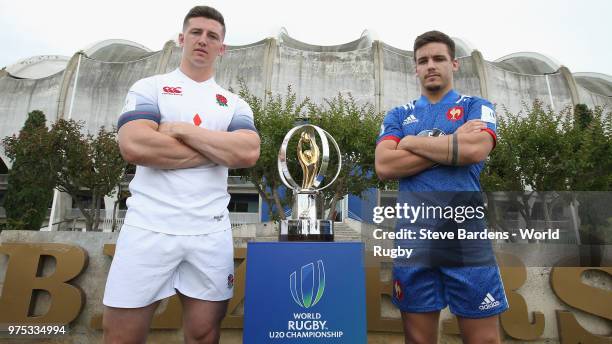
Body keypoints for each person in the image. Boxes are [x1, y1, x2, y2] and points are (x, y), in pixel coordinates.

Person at [102, 6, 260, 344]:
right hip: (148, 228)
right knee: (121, 337)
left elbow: (247, 152)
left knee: (204, 334)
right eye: (196, 32)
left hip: (209, 232)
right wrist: (217, 151)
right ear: (181, 38)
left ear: (222, 48)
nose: (203, 40)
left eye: (212, 36)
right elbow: (134, 145)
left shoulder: (234, 104)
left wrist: (180, 131)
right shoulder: (151, 88)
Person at [375, 30, 508, 344]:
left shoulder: (476, 106)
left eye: (438, 58)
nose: (430, 65)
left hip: (465, 238)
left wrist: (411, 144)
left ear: (454, 64)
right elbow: (384, 166)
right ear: (415, 69)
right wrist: (448, 144)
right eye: (423, 60)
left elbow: (474, 150)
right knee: (418, 340)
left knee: (484, 340)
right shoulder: (398, 114)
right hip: (414, 239)